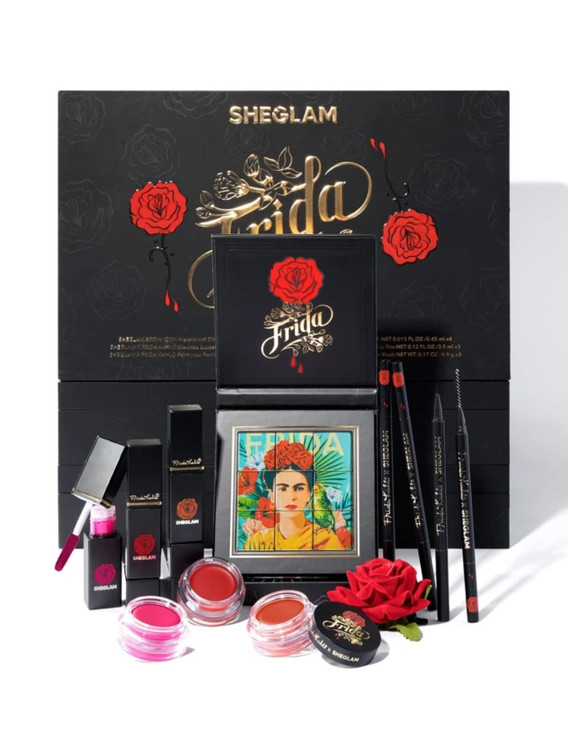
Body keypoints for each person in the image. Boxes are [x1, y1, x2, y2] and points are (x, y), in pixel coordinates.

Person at [243, 441, 343, 551]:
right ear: (272, 495)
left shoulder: (325, 540)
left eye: (299, 488)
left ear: (309, 494)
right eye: (282, 489)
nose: (291, 497)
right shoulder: (257, 543)